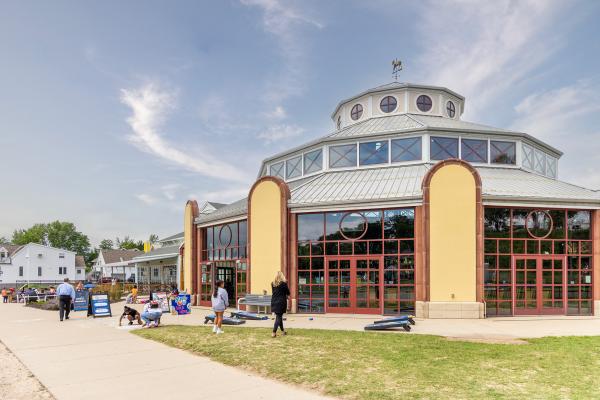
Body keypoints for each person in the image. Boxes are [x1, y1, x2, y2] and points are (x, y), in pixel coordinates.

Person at [271, 271, 290, 338]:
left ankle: (283, 331)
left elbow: (274, 292)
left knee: (279, 316)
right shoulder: (283, 284)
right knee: (278, 317)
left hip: (274, 301)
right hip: (281, 302)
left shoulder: (272, 283)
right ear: (282, 276)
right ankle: (274, 332)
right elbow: (288, 293)